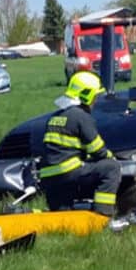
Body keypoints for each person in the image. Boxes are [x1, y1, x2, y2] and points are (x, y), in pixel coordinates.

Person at [39, 71, 121, 217]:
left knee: (61, 215)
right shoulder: (81, 116)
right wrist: (112, 157)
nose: (95, 101)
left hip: (49, 178)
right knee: (111, 168)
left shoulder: (55, 117)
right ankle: (103, 215)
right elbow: (98, 150)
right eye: (95, 96)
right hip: (68, 172)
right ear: (86, 95)